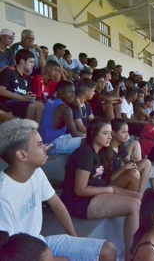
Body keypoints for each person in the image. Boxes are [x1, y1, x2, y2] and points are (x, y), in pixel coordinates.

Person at [0, 119, 116, 260]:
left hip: (40, 242)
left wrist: (75, 240)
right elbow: (9, 251)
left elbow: (57, 205)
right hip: (25, 255)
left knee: (107, 251)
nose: (46, 147)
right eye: (39, 144)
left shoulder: (35, 172)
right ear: (22, 155)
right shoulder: (3, 194)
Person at [62, 117, 142, 260]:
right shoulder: (85, 153)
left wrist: (109, 188)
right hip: (81, 202)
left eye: (110, 133)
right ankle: (132, 256)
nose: (110, 137)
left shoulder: (99, 151)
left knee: (142, 199)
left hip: (98, 191)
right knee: (134, 205)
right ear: (93, 133)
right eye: (105, 133)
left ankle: (144, 242)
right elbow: (80, 190)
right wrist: (109, 190)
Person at [101, 118, 154, 194]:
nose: (127, 135)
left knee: (146, 162)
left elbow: (128, 163)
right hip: (111, 183)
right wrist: (125, 167)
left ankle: (140, 195)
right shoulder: (106, 150)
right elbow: (108, 179)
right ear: (113, 133)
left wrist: (132, 160)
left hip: (121, 175)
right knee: (134, 173)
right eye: (123, 132)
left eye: (127, 132)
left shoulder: (120, 146)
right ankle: (137, 198)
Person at [39, 81, 85, 155]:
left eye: (74, 92)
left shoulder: (50, 100)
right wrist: (91, 135)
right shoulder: (65, 109)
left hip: (45, 140)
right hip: (52, 144)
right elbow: (75, 133)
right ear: (60, 92)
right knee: (90, 141)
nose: (73, 95)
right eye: (70, 92)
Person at [0, 49, 44, 123]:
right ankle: (25, 132)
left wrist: (30, 97)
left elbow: (27, 94)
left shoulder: (27, 77)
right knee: (31, 106)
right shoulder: (9, 71)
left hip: (20, 103)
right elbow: (1, 90)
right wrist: (22, 98)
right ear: (22, 61)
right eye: (31, 62)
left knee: (40, 105)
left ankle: (34, 131)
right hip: (6, 103)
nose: (33, 65)